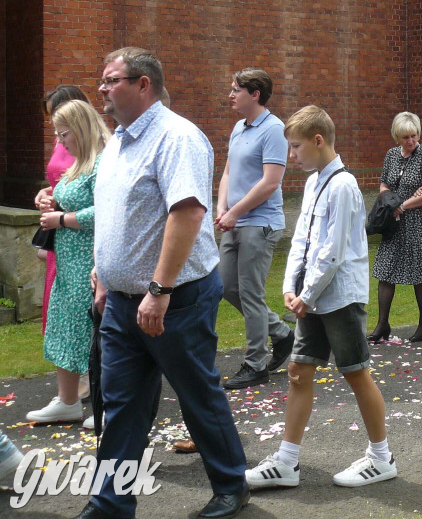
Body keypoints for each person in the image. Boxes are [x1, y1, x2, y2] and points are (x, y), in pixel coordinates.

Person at [86, 47, 248, 519]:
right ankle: (111, 503)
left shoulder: (177, 138)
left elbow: (188, 213)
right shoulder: (116, 141)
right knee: (121, 406)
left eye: (112, 79)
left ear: (144, 84)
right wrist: (103, 274)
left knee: (197, 394)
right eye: (101, 80)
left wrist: (159, 290)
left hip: (174, 299)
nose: (102, 88)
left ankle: (231, 486)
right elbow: (115, 214)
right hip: (119, 301)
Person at [245, 106, 395, 490]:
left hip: (339, 298)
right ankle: (287, 462)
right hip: (312, 298)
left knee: (356, 373)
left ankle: (381, 458)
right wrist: (289, 288)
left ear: (318, 140)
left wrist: (306, 294)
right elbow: (302, 240)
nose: (291, 155)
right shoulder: (314, 183)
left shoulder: (343, 185)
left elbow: (333, 251)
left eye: (295, 147)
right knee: (298, 372)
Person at [29, 100, 109, 426]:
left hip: (88, 261)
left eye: (64, 135)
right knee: (63, 328)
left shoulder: (103, 162)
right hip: (67, 262)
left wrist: (62, 218)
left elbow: (105, 210)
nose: (61, 143)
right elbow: (65, 193)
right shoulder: (79, 163)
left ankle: (104, 406)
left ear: (80, 128)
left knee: (89, 333)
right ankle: (67, 401)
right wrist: (46, 196)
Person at [216, 68, 293, 390]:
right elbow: (228, 171)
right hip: (234, 221)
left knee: (250, 293)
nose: (231, 95)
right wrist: (222, 208)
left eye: (236, 89)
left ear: (255, 94)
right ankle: (281, 333)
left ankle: (255, 364)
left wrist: (235, 212)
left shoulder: (273, 129)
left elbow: (270, 182)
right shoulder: (239, 127)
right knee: (225, 285)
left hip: (259, 224)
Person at [368, 112, 422, 343]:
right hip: (393, 223)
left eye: (414, 135)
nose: (411, 141)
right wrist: (389, 201)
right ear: (397, 137)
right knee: (385, 271)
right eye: (406, 137)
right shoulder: (391, 155)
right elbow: (384, 183)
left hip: (417, 222)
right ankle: (382, 324)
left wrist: (402, 205)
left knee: (419, 273)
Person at [35, 85, 88, 337]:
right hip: (57, 223)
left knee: (78, 306)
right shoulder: (60, 140)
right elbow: (62, 180)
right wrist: (46, 193)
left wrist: (60, 212)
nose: (54, 124)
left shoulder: (90, 144)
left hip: (76, 227)